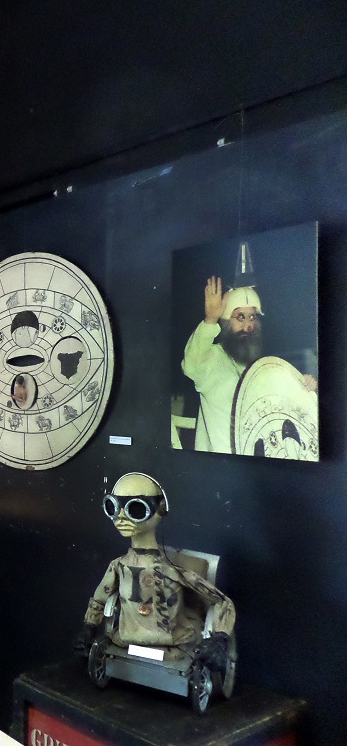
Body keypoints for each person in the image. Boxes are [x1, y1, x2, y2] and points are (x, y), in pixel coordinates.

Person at [74, 473, 234, 672]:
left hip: (173, 645)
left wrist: (220, 638)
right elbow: (99, 600)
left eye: (136, 508)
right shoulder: (119, 566)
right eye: (113, 507)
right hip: (126, 640)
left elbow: (221, 601)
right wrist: (89, 627)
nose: (121, 517)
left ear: (160, 509)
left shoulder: (172, 571)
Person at [181, 276, 315, 453]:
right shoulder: (211, 358)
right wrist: (210, 320)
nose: (248, 326)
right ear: (226, 322)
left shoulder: (260, 366)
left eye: (252, 317)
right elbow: (190, 364)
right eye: (240, 317)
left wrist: (303, 385)